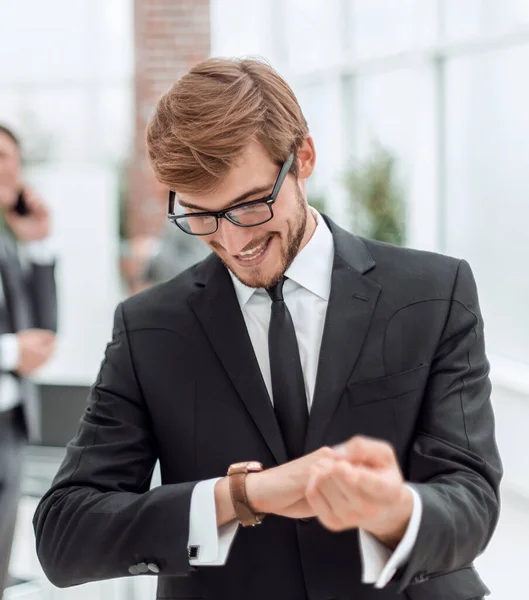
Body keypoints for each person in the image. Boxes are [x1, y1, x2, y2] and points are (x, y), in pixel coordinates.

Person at [33, 58, 501, 600]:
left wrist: (395, 508)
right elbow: (65, 532)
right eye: (200, 215)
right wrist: (241, 496)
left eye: (250, 205)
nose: (233, 244)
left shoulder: (433, 293)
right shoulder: (149, 329)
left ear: (303, 156)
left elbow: (472, 496)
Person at [0, 124, 57, 597]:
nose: (10, 169)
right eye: (0, 156)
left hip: (10, 418)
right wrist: (9, 351)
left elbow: (42, 331)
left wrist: (37, 242)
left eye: (14, 159)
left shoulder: (6, 242)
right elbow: (21, 345)